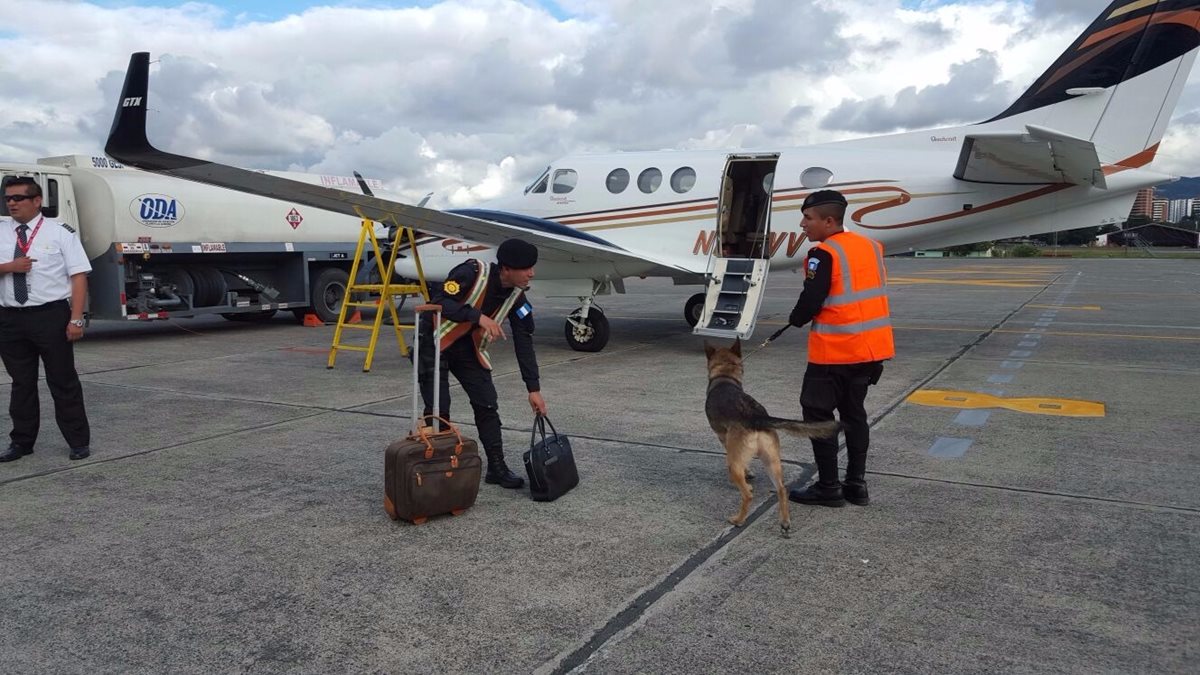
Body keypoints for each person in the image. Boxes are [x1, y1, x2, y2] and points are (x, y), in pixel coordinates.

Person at [785, 189, 893, 507]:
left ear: (829, 221)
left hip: (835, 350)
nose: (803, 224)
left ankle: (829, 487)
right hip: (870, 350)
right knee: (854, 415)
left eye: (808, 218)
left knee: (818, 415)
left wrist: (795, 319)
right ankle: (856, 485)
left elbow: (812, 299)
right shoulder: (871, 247)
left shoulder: (824, 253)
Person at [418, 237, 548, 489]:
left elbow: (524, 341)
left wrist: (533, 390)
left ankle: (497, 468)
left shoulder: (517, 298)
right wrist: (478, 317)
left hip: (469, 350)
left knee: (487, 404)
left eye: (533, 267)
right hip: (435, 343)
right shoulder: (471, 272)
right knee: (438, 411)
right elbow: (440, 302)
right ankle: (439, 471)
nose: (531, 274)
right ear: (507, 268)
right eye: (526, 268)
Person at [0, 177, 92, 462]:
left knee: (63, 380)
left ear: (37, 201)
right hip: (10, 318)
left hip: (50, 315)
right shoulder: (0, 231)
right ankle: (22, 442)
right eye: (8, 199)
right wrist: (9, 267)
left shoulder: (60, 232)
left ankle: (78, 441)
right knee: (21, 383)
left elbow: (78, 276)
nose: (12, 203)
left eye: (18, 198)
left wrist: (76, 319)